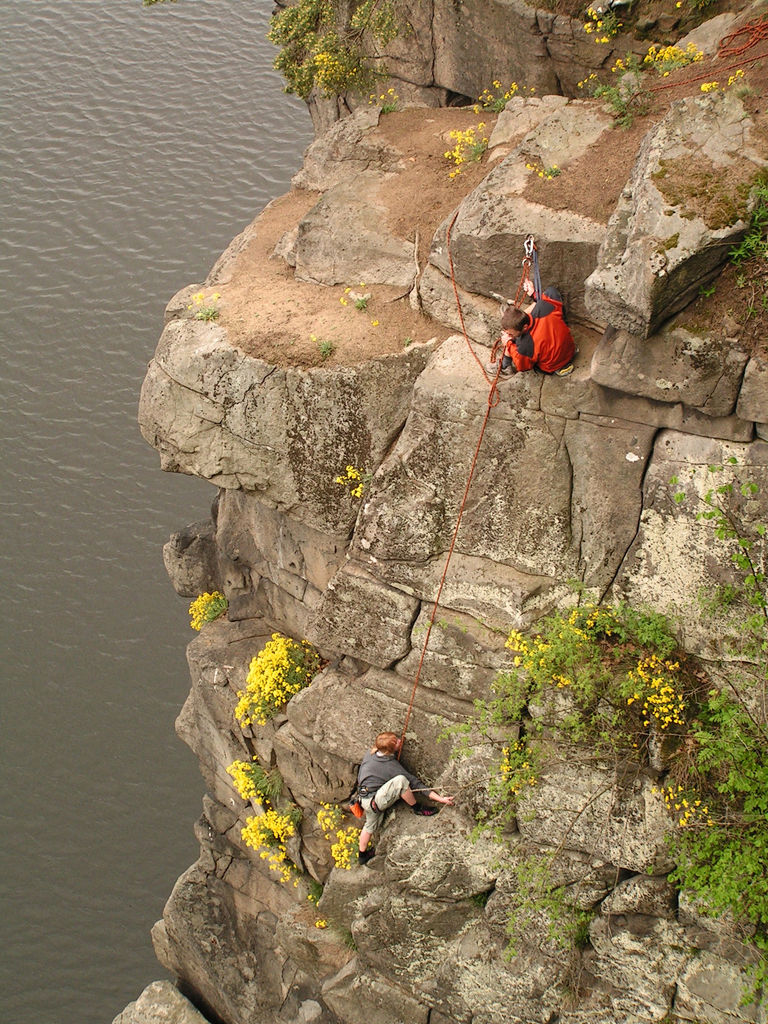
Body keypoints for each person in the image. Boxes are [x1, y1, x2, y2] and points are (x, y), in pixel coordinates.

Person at [356, 731, 454, 864]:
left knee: (370, 826)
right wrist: (440, 799)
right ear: (390, 750)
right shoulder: (390, 766)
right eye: (396, 742)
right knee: (401, 781)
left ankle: (362, 855)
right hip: (374, 802)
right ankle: (417, 807)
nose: (399, 741)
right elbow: (414, 782)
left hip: (364, 797)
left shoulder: (371, 753)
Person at [495, 282, 576, 378]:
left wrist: (508, 343)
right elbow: (552, 293)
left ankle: (505, 367)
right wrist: (534, 294)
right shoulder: (544, 307)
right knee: (548, 294)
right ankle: (514, 318)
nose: (508, 334)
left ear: (524, 327)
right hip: (570, 349)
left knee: (516, 341)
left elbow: (523, 367)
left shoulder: (525, 345)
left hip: (553, 365)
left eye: (511, 333)